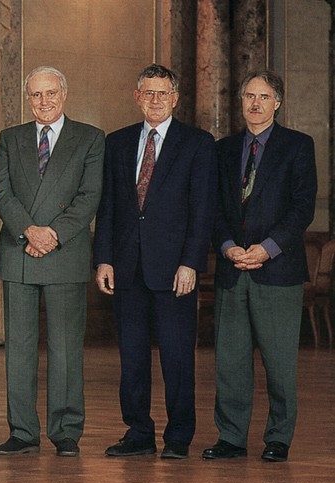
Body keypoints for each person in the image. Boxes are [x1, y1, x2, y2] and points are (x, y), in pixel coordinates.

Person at [93, 64, 217, 459]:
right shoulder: (117, 142)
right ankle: (139, 432)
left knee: (178, 357)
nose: (155, 100)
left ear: (175, 98)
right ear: (137, 97)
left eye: (163, 94)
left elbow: (203, 210)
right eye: (148, 93)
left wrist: (191, 263)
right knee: (131, 358)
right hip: (127, 268)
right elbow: (108, 206)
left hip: (174, 270)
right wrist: (104, 259)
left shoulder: (198, 143)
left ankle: (178, 436)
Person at [201, 70, 316, 463]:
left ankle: (278, 438)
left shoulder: (299, 146)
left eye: (263, 97)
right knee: (230, 362)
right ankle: (231, 437)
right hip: (233, 269)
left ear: (277, 102)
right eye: (249, 95)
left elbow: (302, 208)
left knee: (279, 363)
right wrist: (229, 247)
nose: (255, 103)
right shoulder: (223, 148)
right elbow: (212, 208)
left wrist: (266, 249)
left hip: (277, 270)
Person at [0, 66, 104, 457]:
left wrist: (52, 234)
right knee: (19, 348)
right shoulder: (11, 138)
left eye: (51, 93)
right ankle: (22, 431)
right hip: (20, 250)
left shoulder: (90, 138)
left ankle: (66, 430)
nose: (44, 101)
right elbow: (1, 193)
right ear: (27, 98)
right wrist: (30, 231)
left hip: (64, 251)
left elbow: (90, 196)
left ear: (65, 93)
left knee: (66, 349)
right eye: (36, 95)